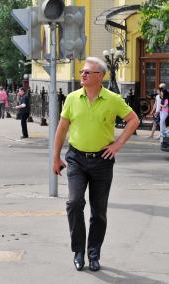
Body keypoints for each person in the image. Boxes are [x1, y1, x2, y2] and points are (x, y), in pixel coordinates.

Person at [53, 57, 139, 272]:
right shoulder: (72, 98)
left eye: (87, 72)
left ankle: (93, 254)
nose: (82, 75)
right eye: (82, 72)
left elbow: (134, 120)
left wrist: (117, 145)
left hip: (103, 160)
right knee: (74, 203)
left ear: (100, 76)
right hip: (76, 159)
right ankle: (78, 251)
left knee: (98, 212)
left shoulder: (113, 99)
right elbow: (62, 129)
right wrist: (56, 157)